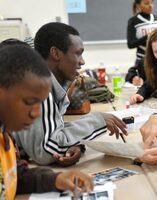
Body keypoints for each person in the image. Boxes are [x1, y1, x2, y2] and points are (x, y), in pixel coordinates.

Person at [12, 22, 127, 166]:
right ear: (56, 53)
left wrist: (74, 145)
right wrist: (98, 121)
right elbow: (46, 150)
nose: (82, 62)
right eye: (78, 53)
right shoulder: (37, 88)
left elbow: (52, 131)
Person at [0, 44, 93, 200]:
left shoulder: (5, 134)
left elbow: (15, 176)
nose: (36, 113)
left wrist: (56, 179)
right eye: (29, 101)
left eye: (41, 104)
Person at [126, 0, 157, 86]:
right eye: (146, 3)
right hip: (142, 60)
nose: (150, 6)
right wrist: (147, 37)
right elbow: (130, 44)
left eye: (151, 3)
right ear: (138, 5)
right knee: (145, 84)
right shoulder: (133, 21)